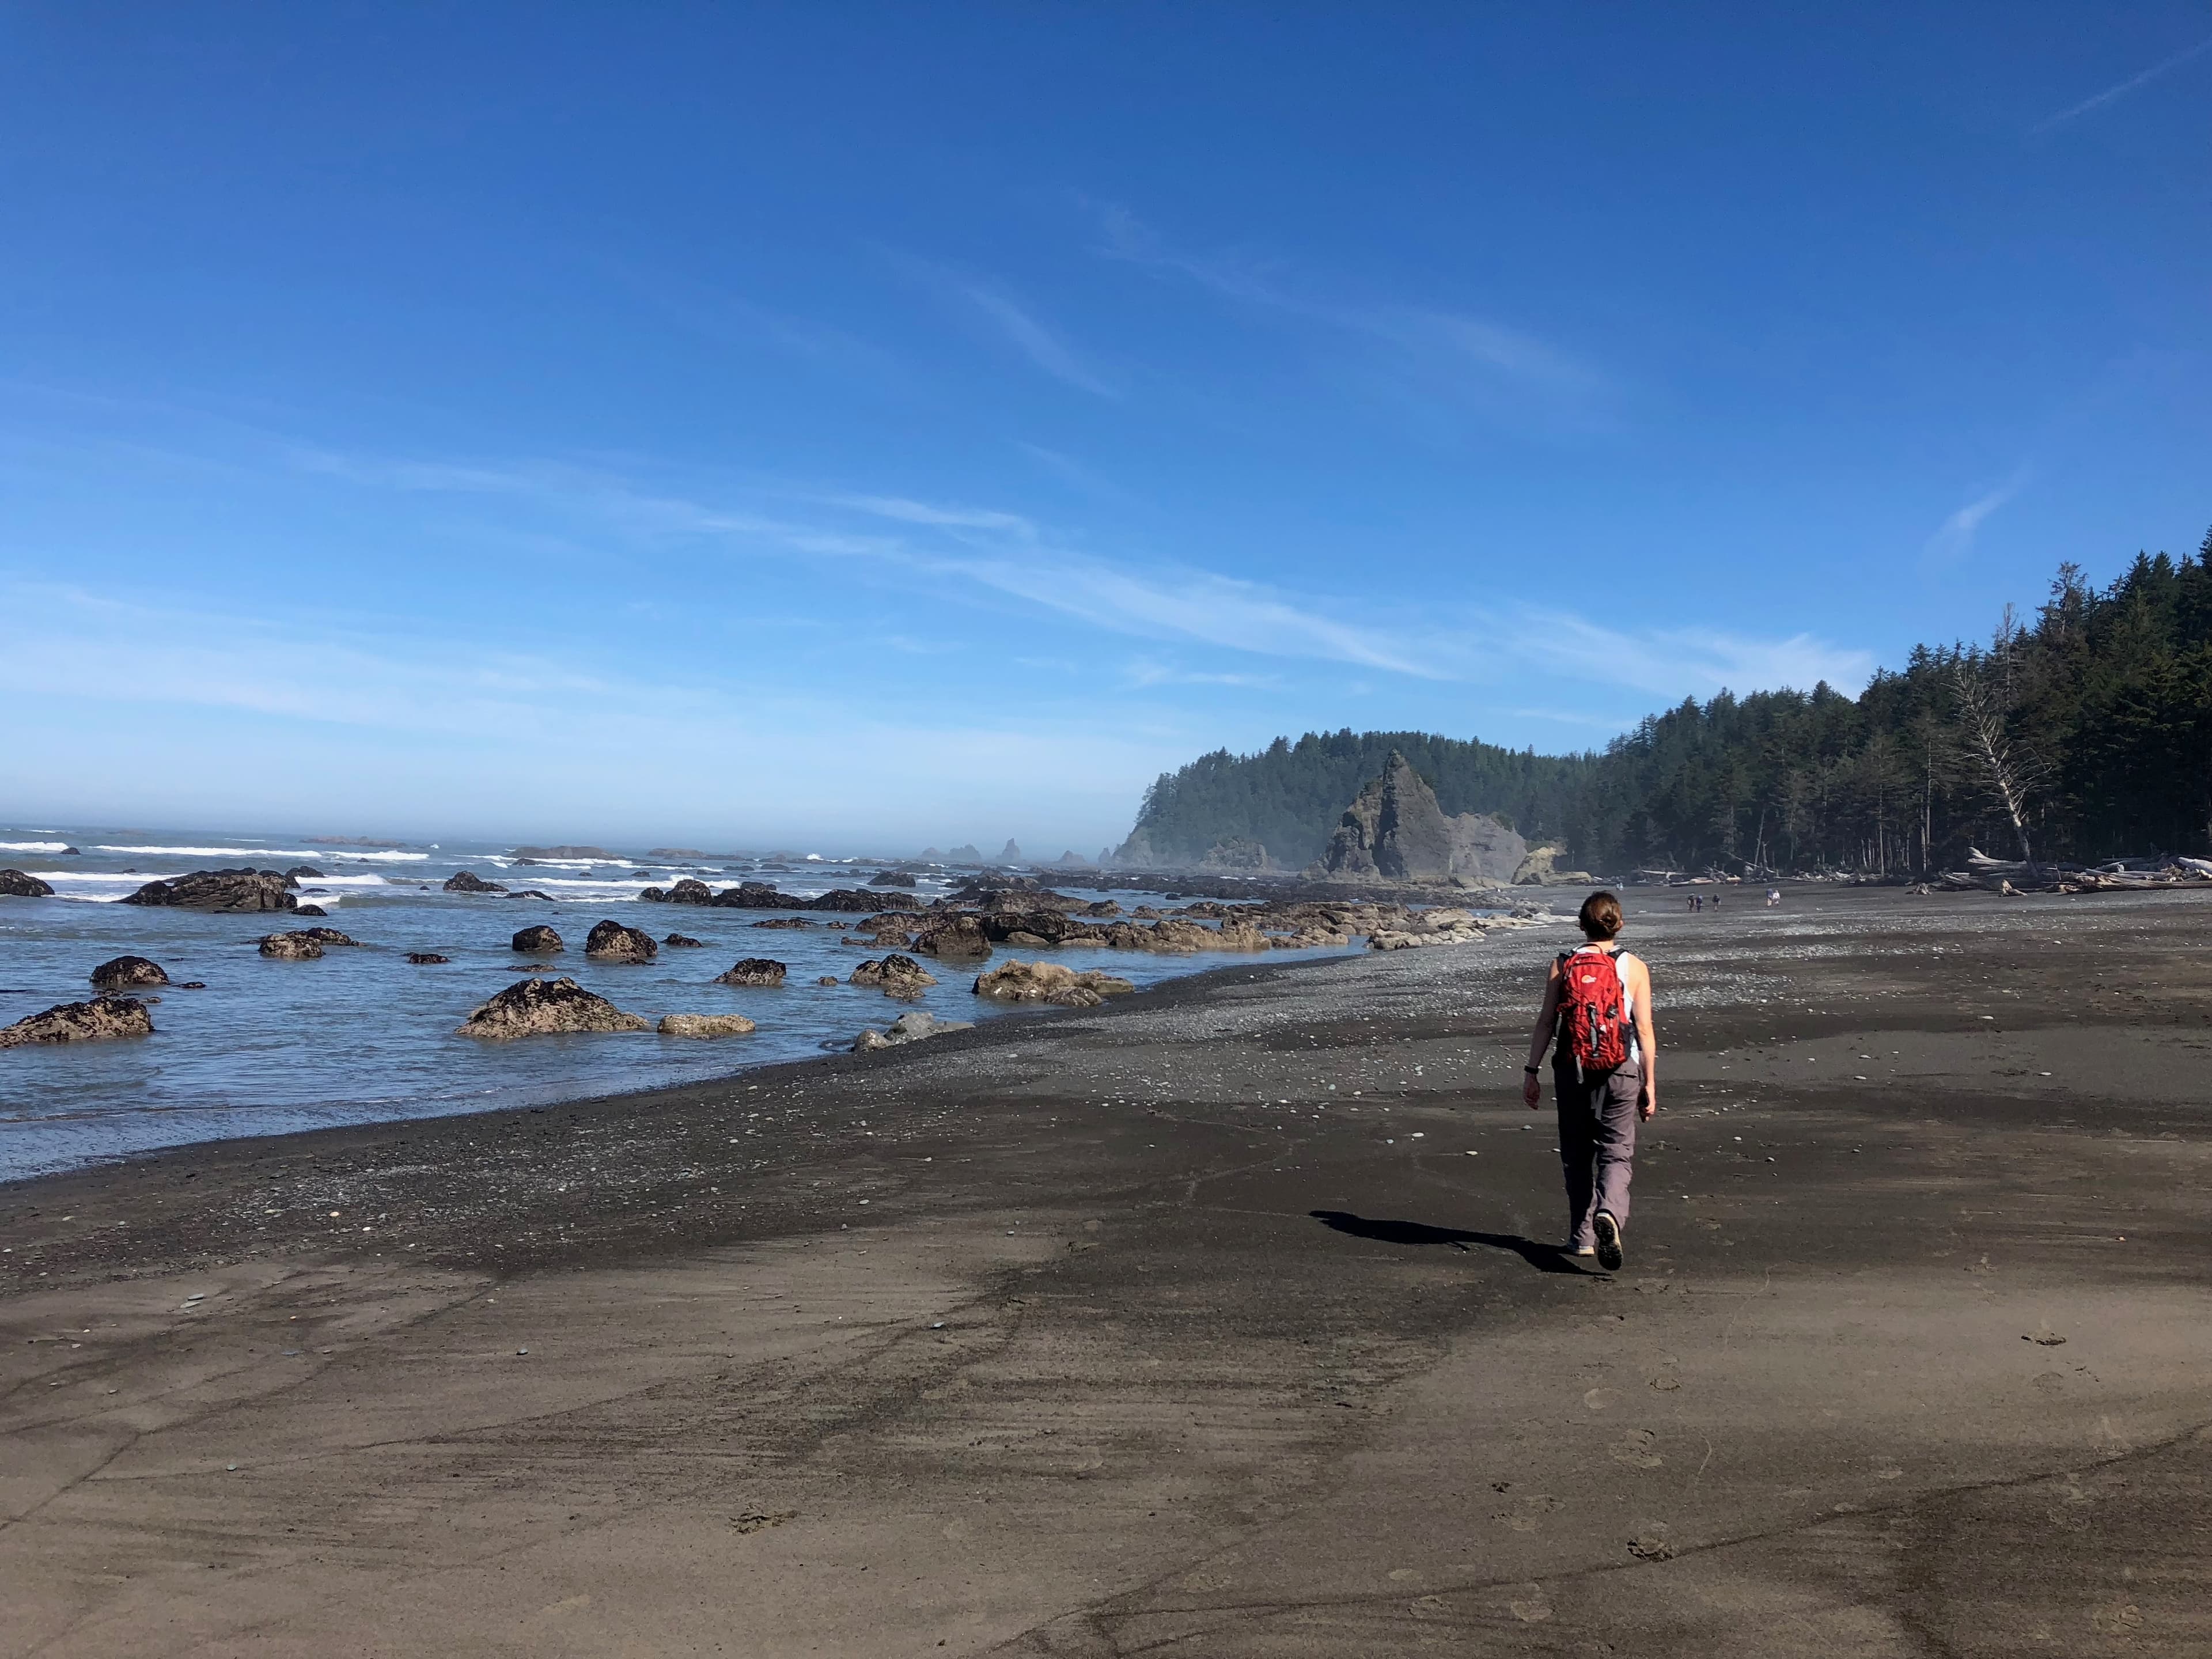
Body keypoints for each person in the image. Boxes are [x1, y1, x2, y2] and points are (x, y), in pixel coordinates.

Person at [1521, 891, 1657, 1269]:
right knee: (1616, 1150)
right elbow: (1644, 1030)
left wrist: (1531, 1072)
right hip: (1622, 1069)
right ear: (1620, 924)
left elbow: (1547, 1023)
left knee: (1577, 1155)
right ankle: (1610, 1212)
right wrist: (1650, 1084)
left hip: (1572, 1068)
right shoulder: (1635, 967)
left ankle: (1582, 1238)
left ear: (1581, 925)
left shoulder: (1563, 965)